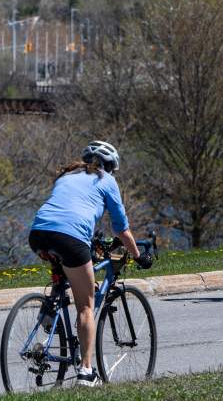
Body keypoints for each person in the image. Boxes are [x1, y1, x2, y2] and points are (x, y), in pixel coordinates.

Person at [28, 140, 153, 387]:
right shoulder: (106, 180)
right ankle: (86, 371)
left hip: (38, 233)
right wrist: (139, 256)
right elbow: (121, 229)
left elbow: (68, 207)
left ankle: (49, 312)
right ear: (109, 166)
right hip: (71, 238)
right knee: (85, 306)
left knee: (65, 272)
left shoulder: (67, 175)